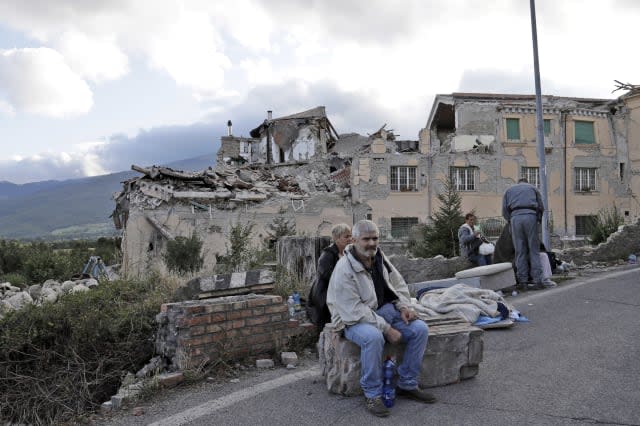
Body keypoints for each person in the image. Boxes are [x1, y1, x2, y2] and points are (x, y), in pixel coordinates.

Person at [326, 220, 436, 418]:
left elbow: (397, 284)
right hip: (350, 319)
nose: (371, 243)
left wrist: (404, 307)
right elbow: (353, 309)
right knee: (373, 337)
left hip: (381, 310)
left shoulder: (379, 257)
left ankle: (407, 383)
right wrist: (386, 328)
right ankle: (372, 394)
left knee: (420, 329)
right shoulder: (345, 268)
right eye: (366, 239)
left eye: (375, 238)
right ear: (355, 240)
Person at [306, 223, 352, 332]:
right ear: (336, 238)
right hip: (325, 293)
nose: (350, 239)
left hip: (342, 291)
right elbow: (327, 275)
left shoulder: (349, 253)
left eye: (350, 236)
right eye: (346, 237)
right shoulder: (327, 254)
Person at [502, 177, 545, 290]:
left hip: (515, 217)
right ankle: (537, 281)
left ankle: (523, 282)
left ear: (518, 182)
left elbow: (504, 210)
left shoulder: (509, 190)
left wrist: (511, 220)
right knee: (534, 250)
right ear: (526, 182)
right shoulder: (533, 188)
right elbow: (541, 207)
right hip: (531, 216)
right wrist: (538, 220)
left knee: (520, 251)